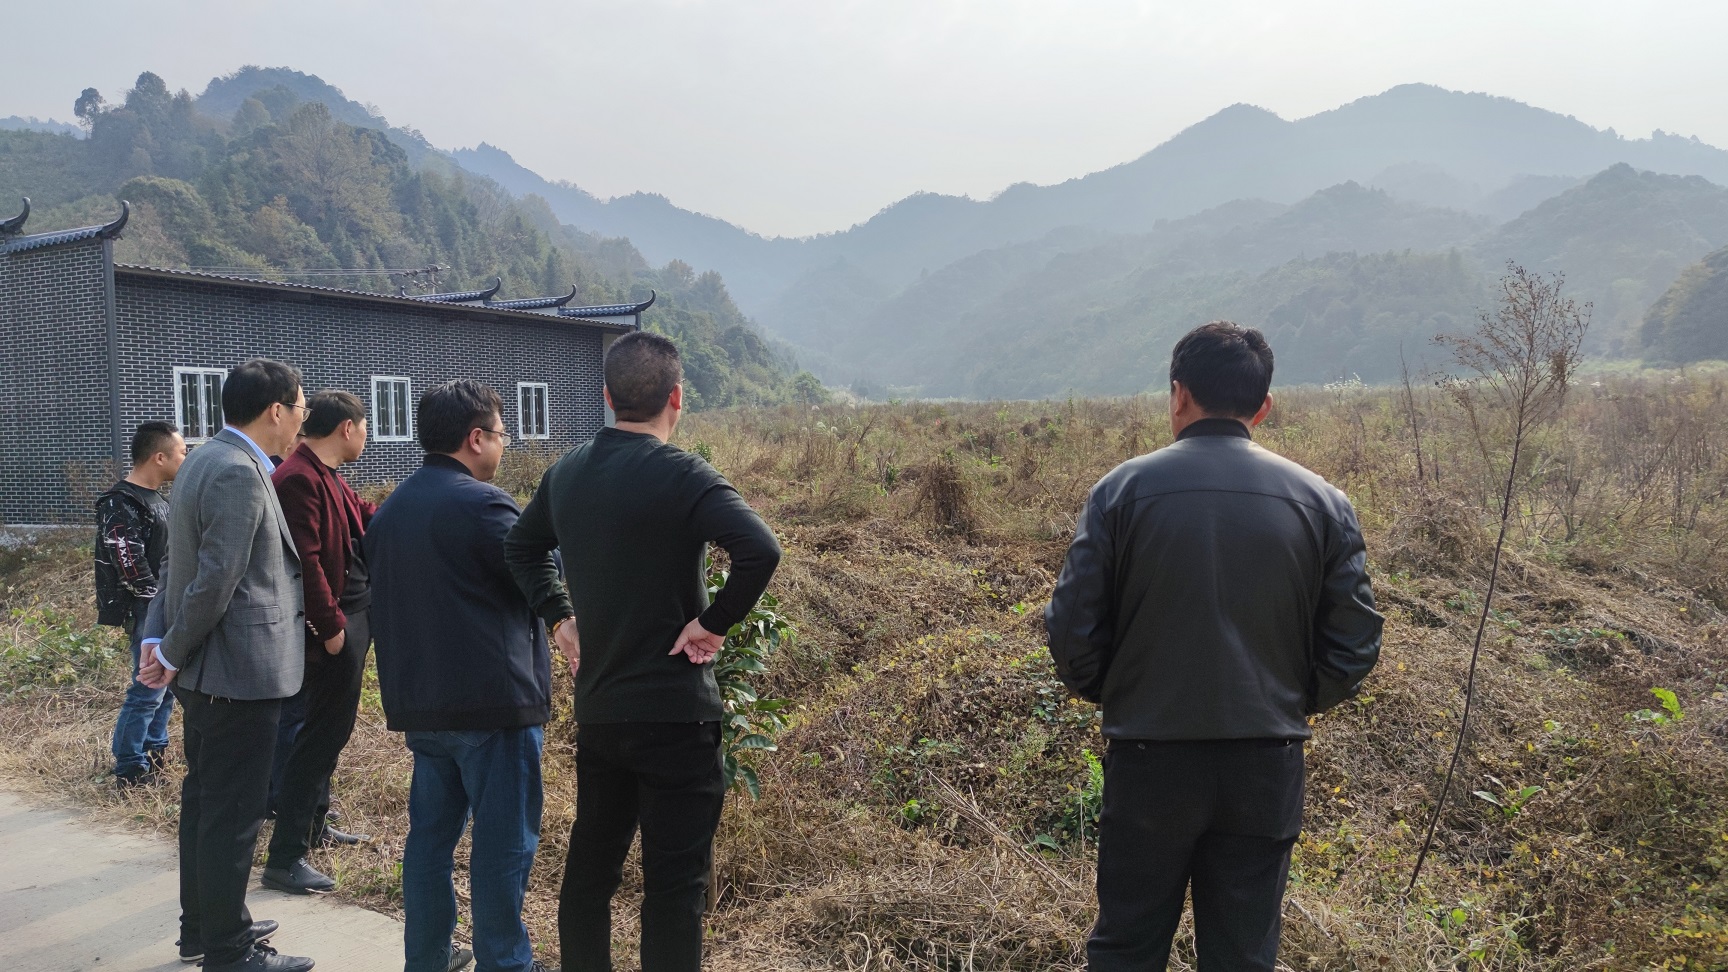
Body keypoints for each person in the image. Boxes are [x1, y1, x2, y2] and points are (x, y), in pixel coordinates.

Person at [1045, 322, 1383, 972]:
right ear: (1263, 406)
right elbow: (1355, 641)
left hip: (1150, 759)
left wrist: (1124, 694)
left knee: (1126, 948)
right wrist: (1287, 703)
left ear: (1178, 394)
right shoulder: (1324, 503)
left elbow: (1071, 630)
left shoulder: (1120, 492)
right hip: (1266, 763)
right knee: (1243, 956)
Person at [504, 331, 783, 972]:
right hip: (678, 715)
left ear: (607, 397)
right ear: (676, 398)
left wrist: (559, 618)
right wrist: (713, 623)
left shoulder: (567, 473)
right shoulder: (684, 475)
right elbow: (760, 549)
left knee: (589, 875)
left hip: (603, 712)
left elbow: (521, 546)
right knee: (674, 888)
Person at [365, 379, 555, 972]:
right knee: (503, 848)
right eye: (500, 433)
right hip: (493, 706)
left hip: (422, 705)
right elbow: (540, 576)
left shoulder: (390, 511)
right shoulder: (486, 505)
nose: (503, 444)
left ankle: (427, 958)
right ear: (475, 438)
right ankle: (506, 963)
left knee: (429, 842)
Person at [136, 358, 313, 972]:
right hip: (237, 673)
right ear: (275, 411)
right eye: (300, 408)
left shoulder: (203, 459)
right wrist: (170, 648)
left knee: (206, 805)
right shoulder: (238, 471)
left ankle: (206, 927)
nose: (302, 420)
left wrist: (161, 639)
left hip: (211, 673)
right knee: (232, 815)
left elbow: (176, 566)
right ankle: (230, 952)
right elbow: (213, 580)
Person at [262, 390, 378, 895]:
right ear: (347, 428)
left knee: (330, 734)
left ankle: (313, 825)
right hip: (335, 631)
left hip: (352, 621)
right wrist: (330, 629)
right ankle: (286, 856)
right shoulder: (298, 478)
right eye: (366, 427)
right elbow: (304, 563)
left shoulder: (324, 472)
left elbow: (364, 515)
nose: (367, 436)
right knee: (316, 740)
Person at [97, 421, 186, 787]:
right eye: (182, 452)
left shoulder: (159, 501)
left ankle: (154, 755)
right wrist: (159, 608)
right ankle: (131, 767)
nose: (186, 459)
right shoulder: (121, 502)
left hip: (164, 608)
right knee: (148, 689)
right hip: (146, 611)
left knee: (165, 690)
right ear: (159, 457)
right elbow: (130, 565)